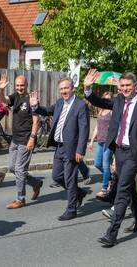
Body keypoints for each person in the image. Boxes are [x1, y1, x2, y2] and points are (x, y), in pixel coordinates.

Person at [84, 70, 137, 247]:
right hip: (119, 152)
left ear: (135, 86)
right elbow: (98, 101)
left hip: (133, 155)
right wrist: (87, 88)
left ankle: (111, 233)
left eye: (128, 86)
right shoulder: (118, 101)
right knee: (129, 187)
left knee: (122, 191)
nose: (125, 88)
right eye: (122, 85)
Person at [29, 77, 90, 221]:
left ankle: (71, 209)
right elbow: (45, 111)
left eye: (66, 88)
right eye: (61, 89)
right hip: (59, 146)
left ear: (72, 88)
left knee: (70, 179)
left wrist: (80, 150)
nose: (64, 91)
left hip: (72, 148)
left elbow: (84, 129)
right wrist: (35, 106)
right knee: (56, 176)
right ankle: (79, 193)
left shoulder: (80, 105)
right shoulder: (59, 103)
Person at [0, 75, 43, 209]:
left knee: (19, 169)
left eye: (21, 85)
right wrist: (1, 90)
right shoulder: (15, 96)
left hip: (26, 138)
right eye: (17, 85)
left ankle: (20, 199)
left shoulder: (31, 99)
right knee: (12, 168)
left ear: (26, 84)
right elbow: (3, 100)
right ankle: (35, 183)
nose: (19, 88)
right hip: (15, 139)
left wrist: (32, 138)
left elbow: (36, 121)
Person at [88, 91, 113, 197]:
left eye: (108, 99)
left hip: (109, 142)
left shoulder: (113, 111)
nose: (106, 100)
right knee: (97, 164)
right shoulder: (100, 110)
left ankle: (104, 188)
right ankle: (111, 179)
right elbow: (97, 127)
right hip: (100, 141)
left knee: (106, 164)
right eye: (105, 98)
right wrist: (91, 141)